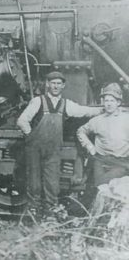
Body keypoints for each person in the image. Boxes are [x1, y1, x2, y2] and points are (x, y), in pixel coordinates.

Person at [17, 71, 102, 215]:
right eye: (53, 83)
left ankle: (51, 209)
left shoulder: (66, 104)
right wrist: (31, 136)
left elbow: (84, 111)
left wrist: (105, 109)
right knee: (34, 181)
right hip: (34, 148)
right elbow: (22, 121)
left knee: (52, 181)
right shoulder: (38, 101)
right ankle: (33, 210)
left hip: (53, 149)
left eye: (58, 84)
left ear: (63, 86)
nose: (55, 86)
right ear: (48, 84)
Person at [77, 83, 129, 188]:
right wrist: (89, 146)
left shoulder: (126, 119)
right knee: (97, 187)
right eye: (106, 101)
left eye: (112, 101)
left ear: (118, 102)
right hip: (100, 160)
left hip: (120, 162)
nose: (109, 104)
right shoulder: (97, 120)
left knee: (103, 185)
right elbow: (81, 131)